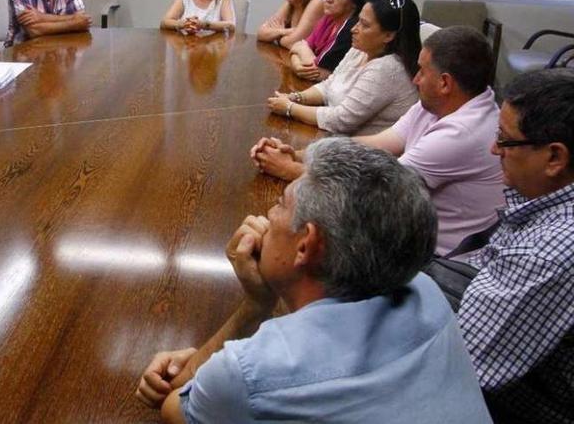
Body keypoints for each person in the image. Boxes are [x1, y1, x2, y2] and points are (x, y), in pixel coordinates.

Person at [136, 137, 491, 423]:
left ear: (306, 244)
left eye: (280, 203)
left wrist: (255, 306)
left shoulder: (251, 373)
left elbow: (173, 405)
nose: (268, 214)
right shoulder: (424, 291)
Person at [252, 26, 505, 255]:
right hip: (408, 226)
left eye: (422, 71)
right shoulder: (446, 103)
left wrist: (289, 170)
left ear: (445, 82)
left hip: (433, 257)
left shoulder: (461, 133)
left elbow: (381, 196)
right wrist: (301, 153)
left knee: (300, 243)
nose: (415, 79)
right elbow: (379, 143)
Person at [456, 69, 574, 423]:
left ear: (555, 158)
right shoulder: (542, 200)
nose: (494, 149)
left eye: (505, 141)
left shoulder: (550, 251)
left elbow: (455, 369)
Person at [267, 0, 420, 136]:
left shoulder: (387, 68)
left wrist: (289, 108)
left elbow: (341, 120)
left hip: (363, 153)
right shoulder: (361, 49)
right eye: (358, 20)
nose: (354, 29)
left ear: (388, 35)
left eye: (364, 25)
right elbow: (329, 85)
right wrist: (295, 97)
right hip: (334, 137)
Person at [288, 0, 378, 82]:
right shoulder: (329, 18)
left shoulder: (350, 28)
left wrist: (300, 52)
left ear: (354, 3)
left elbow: (319, 73)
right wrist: (297, 65)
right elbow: (298, 46)